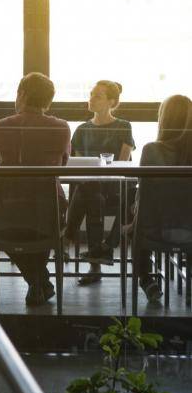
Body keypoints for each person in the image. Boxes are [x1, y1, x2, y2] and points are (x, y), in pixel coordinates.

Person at [0, 72, 71, 306]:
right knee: (39, 227)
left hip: (6, 212)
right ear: (48, 101)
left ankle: (39, 282)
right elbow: (62, 165)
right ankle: (39, 281)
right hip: (48, 211)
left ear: (22, 95)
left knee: (0, 225)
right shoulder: (61, 128)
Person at [62, 81, 135, 286]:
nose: (91, 99)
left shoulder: (123, 126)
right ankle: (95, 263)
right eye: (91, 94)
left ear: (111, 102)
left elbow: (122, 165)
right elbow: (76, 167)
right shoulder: (82, 129)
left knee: (92, 192)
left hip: (115, 187)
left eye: (97, 96)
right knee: (92, 193)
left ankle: (67, 238)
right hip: (90, 189)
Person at [135, 94, 192, 303]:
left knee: (136, 217)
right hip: (190, 230)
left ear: (164, 120)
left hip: (156, 231)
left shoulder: (151, 150)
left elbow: (144, 196)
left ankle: (146, 278)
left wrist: (132, 222)